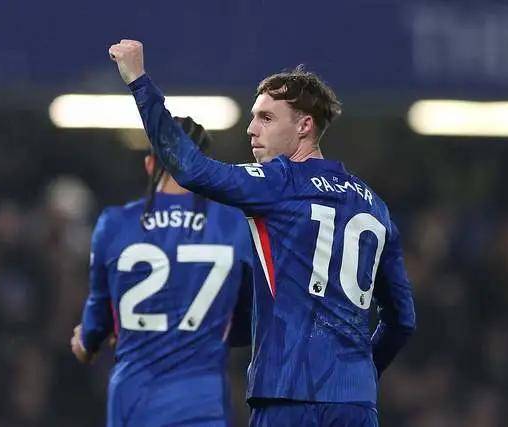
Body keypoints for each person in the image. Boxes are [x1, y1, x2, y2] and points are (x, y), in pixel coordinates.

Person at [109, 39, 416, 427]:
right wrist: (361, 376)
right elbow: (401, 320)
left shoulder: (279, 182)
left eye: (267, 118)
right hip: (356, 405)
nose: (252, 129)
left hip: (288, 394)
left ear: (305, 126)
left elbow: (191, 169)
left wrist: (139, 81)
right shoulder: (375, 206)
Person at [70, 117, 253, 427]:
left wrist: (86, 342)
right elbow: (250, 318)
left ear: (150, 164)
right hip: (201, 399)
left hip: (134, 401)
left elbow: (95, 325)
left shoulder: (115, 224)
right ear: (203, 166)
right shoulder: (233, 224)